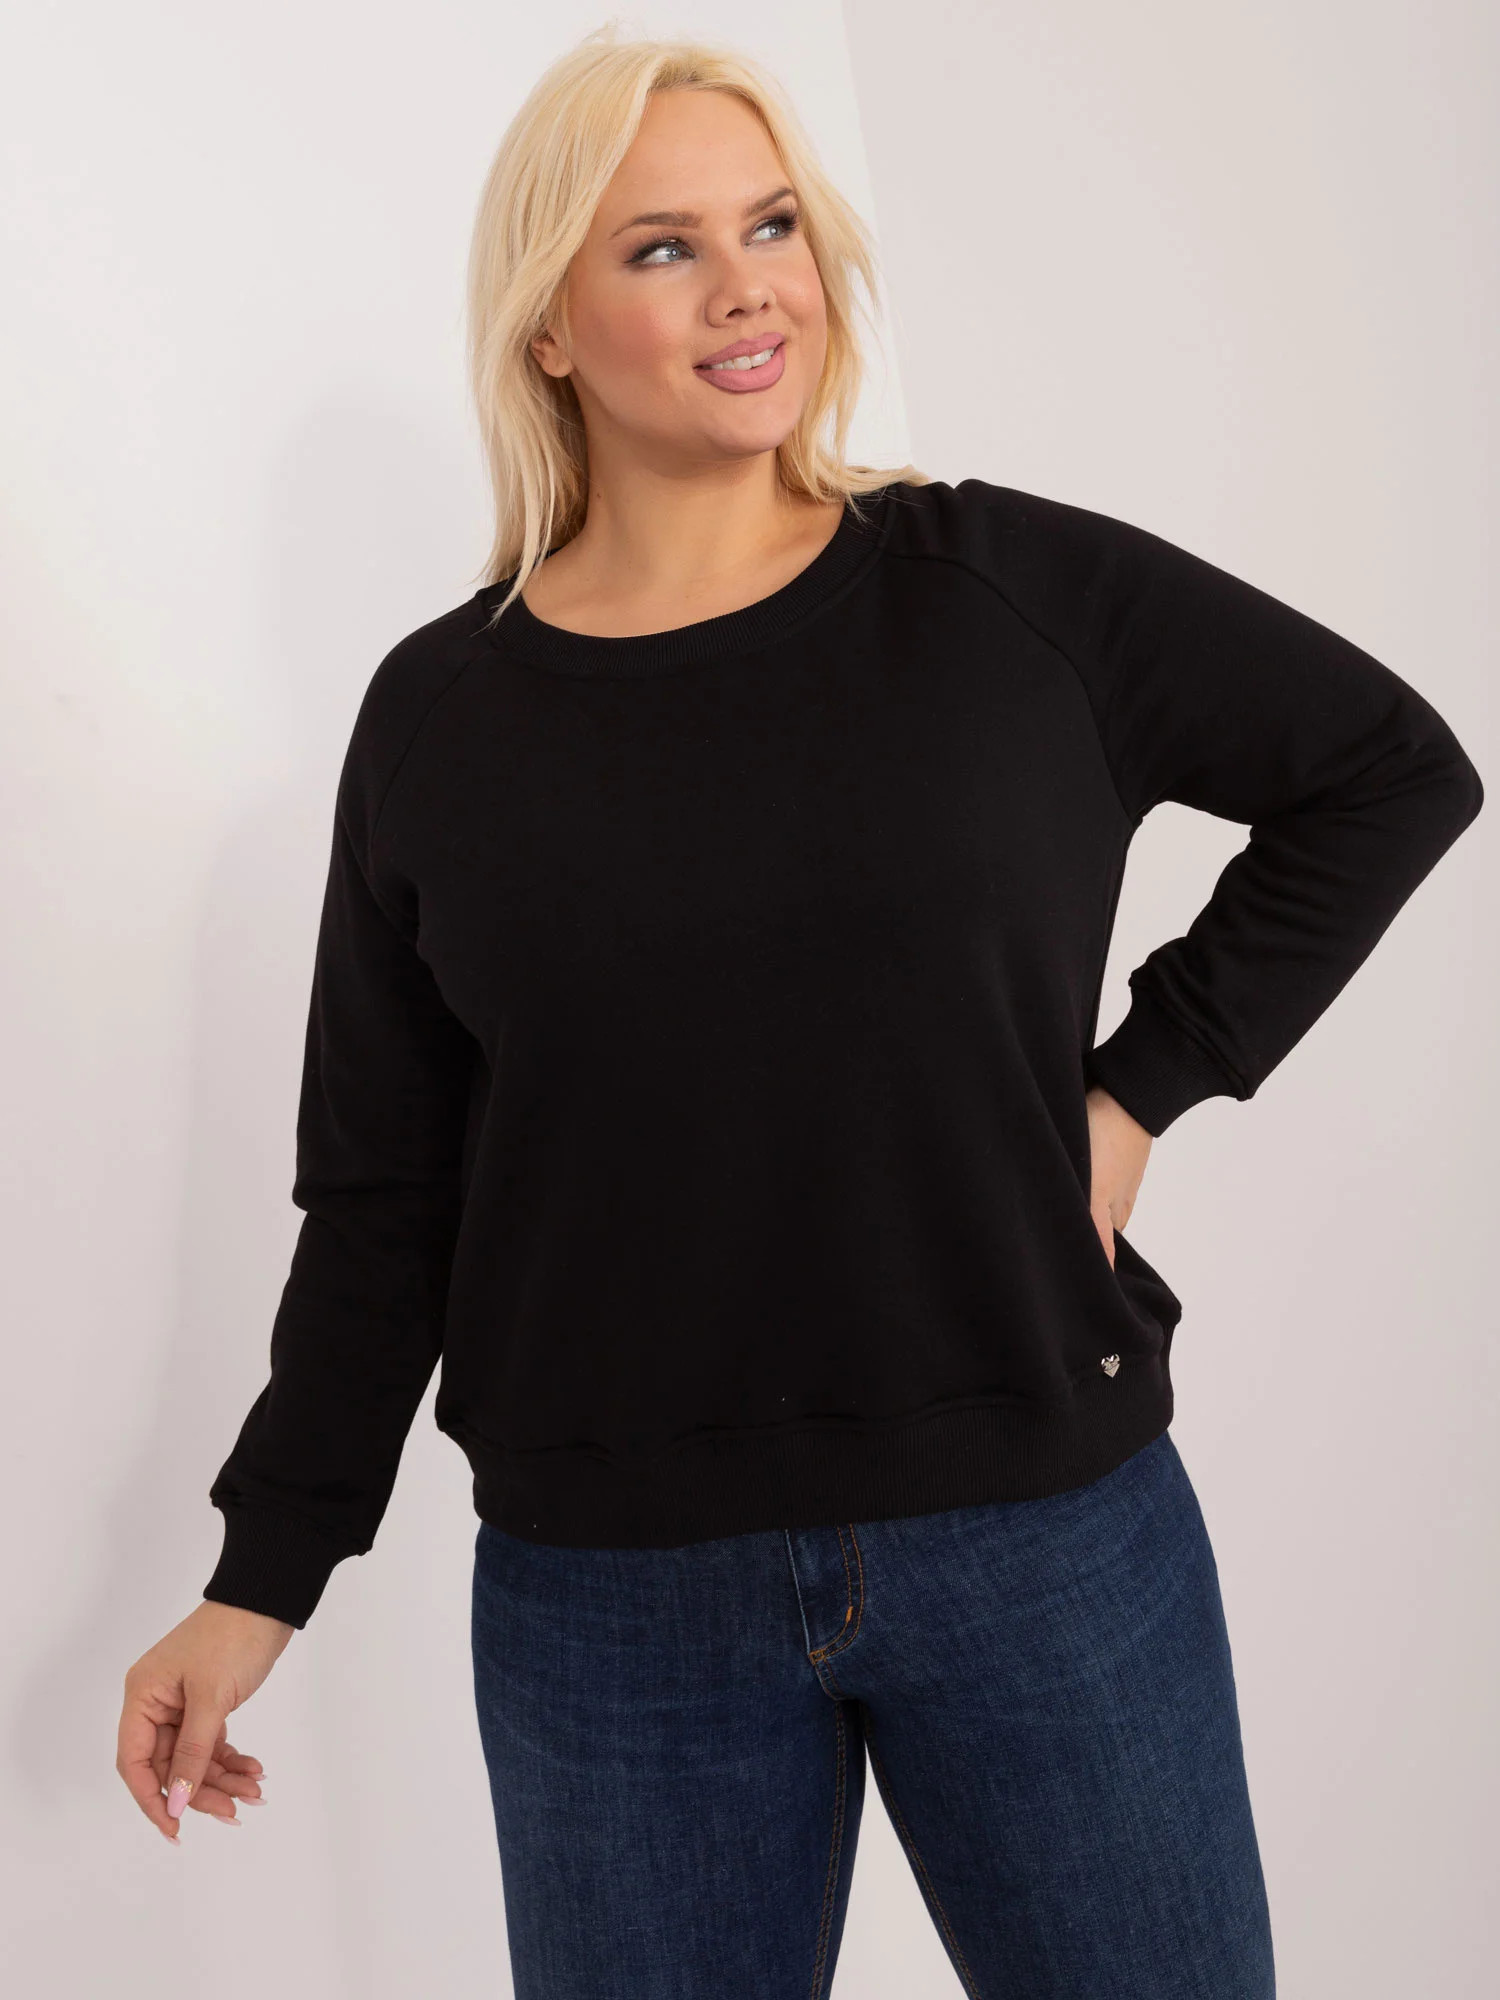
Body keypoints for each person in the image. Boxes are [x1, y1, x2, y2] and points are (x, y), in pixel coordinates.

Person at [117, 27, 1483, 1999]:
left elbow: (1388, 767)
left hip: (1041, 1534)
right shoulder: (442, 719)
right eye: (663, 247)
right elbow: (387, 1198)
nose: (749, 285)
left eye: (772, 226)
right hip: (616, 1603)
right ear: (549, 328)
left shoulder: (1004, 595)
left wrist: (1141, 1087)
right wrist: (263, 1573)